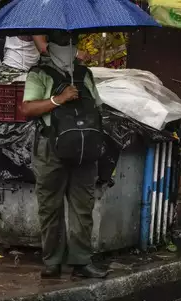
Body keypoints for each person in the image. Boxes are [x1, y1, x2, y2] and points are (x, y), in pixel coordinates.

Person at [21, 32, 108, 279]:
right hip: (50, 148)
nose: (69, 48)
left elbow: (98, 108)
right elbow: (27, 108)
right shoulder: (39, 73)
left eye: (72, 43)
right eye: (63, 43)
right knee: (50, 207)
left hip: (84, 149)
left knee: (83, 207)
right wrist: (58, 99)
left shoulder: (85, 74)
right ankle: (52, 261)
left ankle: (82, 261)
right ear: (50, 46)